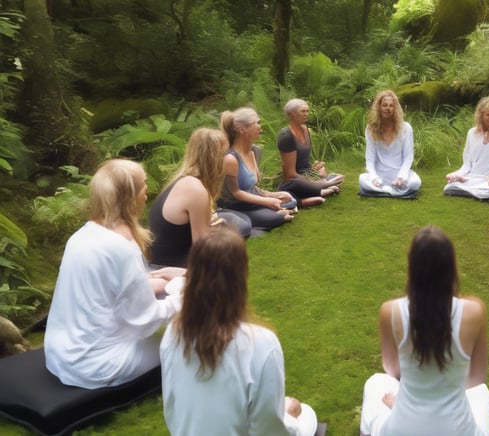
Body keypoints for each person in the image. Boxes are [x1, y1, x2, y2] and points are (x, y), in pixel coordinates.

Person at [160, 227, 317, 436]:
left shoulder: (173, 333)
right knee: (303, 413)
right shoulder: (261, 343)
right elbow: (268, 427)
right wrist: (290, 415)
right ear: (241, 275)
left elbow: (172, 408)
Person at [44, 159, 183, 389]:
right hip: (96, 364)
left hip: (60, 355)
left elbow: (115, 291)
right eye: (144, 183)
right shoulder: (121, 247)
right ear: (130, 196)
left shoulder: (83, 236)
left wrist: (163, 279)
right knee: (185, 345)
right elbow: (144, 318)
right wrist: (181, 297)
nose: (148, 189)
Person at [360, 226, 489, 436]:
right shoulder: (474, 310)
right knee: (482, 394)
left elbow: (392, 370)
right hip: (458, 430)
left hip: (401, 429)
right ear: (451, 266)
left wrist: (404, 402)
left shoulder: (391, 310)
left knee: (376, 382)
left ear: (412, 266)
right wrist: (446, 389)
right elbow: (477, 377)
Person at [149, 128, 245, 267]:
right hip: (173, 267)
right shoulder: (196, 190)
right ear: (213, 157)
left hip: (162, 260)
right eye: (225, 154)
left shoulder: (184, 180)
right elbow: (202, 249)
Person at [218, 107, 298, 236]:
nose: (260, 127)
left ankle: (264, 218)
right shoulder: (230, 159)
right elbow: (236, 193)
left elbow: (253, 187)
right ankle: (257, 220)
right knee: (276, 216)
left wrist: (272, 195)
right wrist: (267, 201)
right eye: (256, 123)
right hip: (237, 205)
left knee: (289, 199)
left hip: (254, 200)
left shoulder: (254, 151)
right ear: (242, 129)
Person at [443, 96, 489, 200]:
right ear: (481, 115)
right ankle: (488, 193)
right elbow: (467, 163)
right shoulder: (472, 133)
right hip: (473, 178)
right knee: (448, 188)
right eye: (488, 114)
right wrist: (458, 175)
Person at [277, 98, 344, 207]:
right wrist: (310, 181)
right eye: (303, 111)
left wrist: (317, 169)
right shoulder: (286, 136)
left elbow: (305, 160)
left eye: (307, 111)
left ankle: (320, 188)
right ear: (291, 115)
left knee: (339, 177)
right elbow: (289, 174)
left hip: (309, 174)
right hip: (295, 179)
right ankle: (320, 191)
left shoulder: (305, 130)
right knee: (318, 183)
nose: (306, 114)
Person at [359, 90, 421, 199]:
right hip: (379, 176)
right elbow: (370, 158)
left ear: (395, 108)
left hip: (399, 175)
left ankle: (383, 192)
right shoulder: (370, 129)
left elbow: (408, 157)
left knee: (415, 182)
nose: (388, 108)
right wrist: (373, 178)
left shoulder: (406, 128)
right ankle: (394, 192)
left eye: (391, 106)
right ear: (379, 107)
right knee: (362, 180)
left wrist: (401, 177)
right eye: (384, 105)